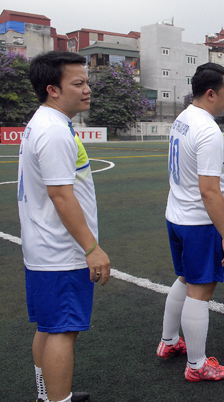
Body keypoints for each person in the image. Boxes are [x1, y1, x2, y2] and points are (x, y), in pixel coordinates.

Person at [20, 51, 111, 402]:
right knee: (63, 331)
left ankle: (47, 396)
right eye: (78, 83)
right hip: (61, 252)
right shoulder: (54, 131)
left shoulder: (44, 122)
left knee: (49, 326)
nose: (87, 89)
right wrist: (92, 247)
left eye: (86, 82)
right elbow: (61, 195)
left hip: (43, 248)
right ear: (52, 89)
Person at [157, 63, 224, 381]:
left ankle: (169, 342)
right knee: (200, 291)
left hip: (177, 215)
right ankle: (197, 365)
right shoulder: (208, 130)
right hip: (199, 223)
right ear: (211, 94)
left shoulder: (183, 118)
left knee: (185, 280)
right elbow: (209, 190)